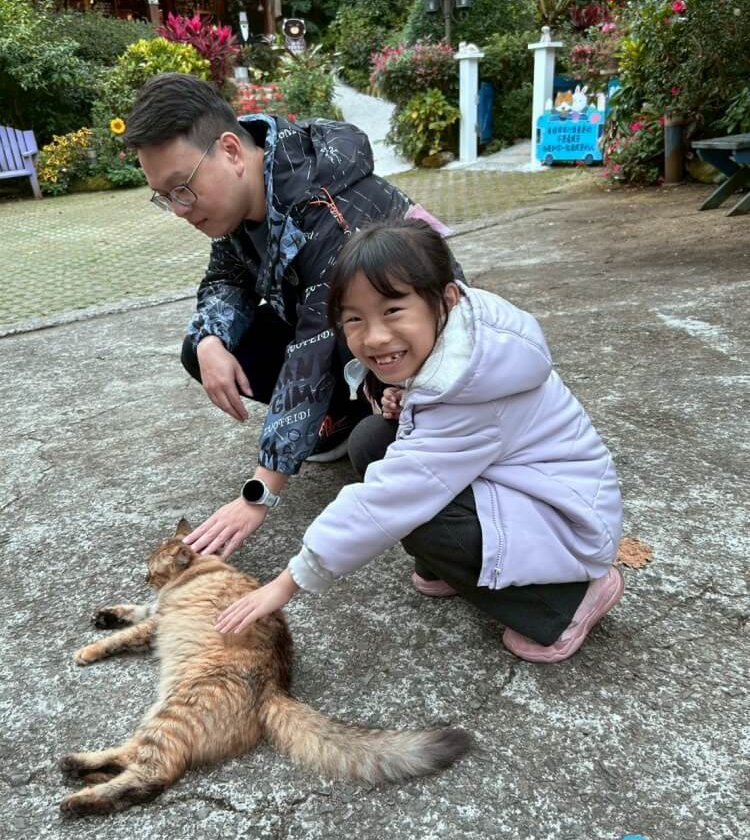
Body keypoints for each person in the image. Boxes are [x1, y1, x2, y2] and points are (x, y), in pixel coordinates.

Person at [214, 220, 625, 663]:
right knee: (373, 439)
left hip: (569, 523)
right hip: (527, 485)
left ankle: (567, 603)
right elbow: (432, 437)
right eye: (354, 318)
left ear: (443, 299)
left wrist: (288, 581)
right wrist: (404, 396)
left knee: (417, 512)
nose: (374, 336)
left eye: (392, 311)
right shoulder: (463, 329)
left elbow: (386, 501)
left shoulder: (470, 391)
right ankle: (450, 567)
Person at [124, 73, 455, 559]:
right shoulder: (242, 202)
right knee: (205, 345)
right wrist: (210, 340)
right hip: (348, 344)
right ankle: (339, 421)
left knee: (380, 450)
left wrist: (259, 489)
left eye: (182, 189)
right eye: (165, 196)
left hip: (419, 363)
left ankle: (363, 419)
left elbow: (313, 354)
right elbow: (226, 279)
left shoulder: (327, 210)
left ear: (232, 152)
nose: (179, 210)